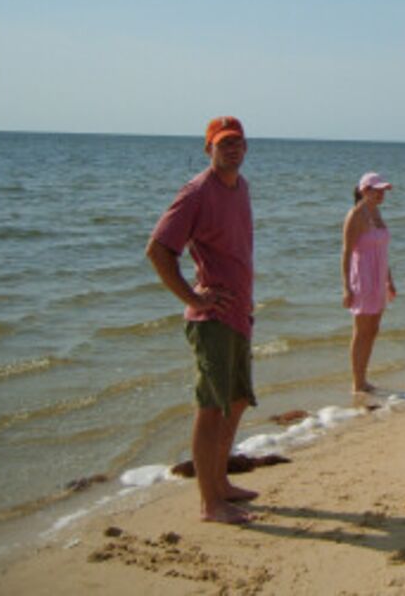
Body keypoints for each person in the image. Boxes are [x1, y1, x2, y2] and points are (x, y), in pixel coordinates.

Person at [146, 116, 257, 525]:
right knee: (211, 408)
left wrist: (246, 304)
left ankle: (222, 481)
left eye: (238, 142)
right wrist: (193, 296)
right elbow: (158, 250)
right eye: (224, 143)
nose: (233, 148)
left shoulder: (241, 188)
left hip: (239, 313)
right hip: (211, 320)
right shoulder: (196, 192)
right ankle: (210, 503)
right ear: (208, 148)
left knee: (238, 399)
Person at [341, 171, 397, 394]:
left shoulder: (377, 213)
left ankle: (364, 378)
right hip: (362, 279)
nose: (382, 194)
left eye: (383, 190)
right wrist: (346, 287)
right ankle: (357, 382)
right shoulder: (355, 215)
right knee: (361, 331)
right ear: (365, 190)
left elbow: (383, 251)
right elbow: (346, 253)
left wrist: (389, 281)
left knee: (373, 330)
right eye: (377, 190)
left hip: (378, 278)